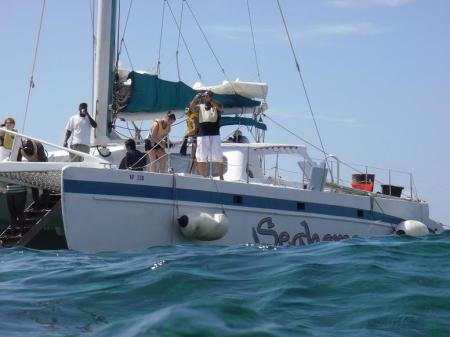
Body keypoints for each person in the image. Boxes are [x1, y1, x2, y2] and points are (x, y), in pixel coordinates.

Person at [189, 90, 224, 179]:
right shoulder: (200, 107)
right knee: (201, 157)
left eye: (208, 96)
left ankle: (221, 176)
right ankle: (202, 177)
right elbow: (191, 108)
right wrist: (196, 98)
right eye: (206, 96)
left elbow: (221, 109)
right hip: (202, 135)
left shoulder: (216, 106)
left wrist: (211, 100)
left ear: (212, 96)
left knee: (218, 156)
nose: (206, 97)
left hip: (214, 135)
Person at [19, 139, 49, 209]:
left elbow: (43, 161)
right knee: (33, 183)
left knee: (44, 184)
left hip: (41, 161)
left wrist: (42, 173)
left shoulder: (38, 145)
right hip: (31, 163)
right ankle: (36, 203)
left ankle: (46, 204)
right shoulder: (21, 149)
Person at [180, 107, 199, 174]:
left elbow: (195, 129)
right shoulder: (189, 118)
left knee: (194, 156)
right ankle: (193, 172)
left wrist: (186, 134)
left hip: (197, 139)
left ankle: (194, 172)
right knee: (193, 156)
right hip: (193, 138)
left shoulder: (193, 118)